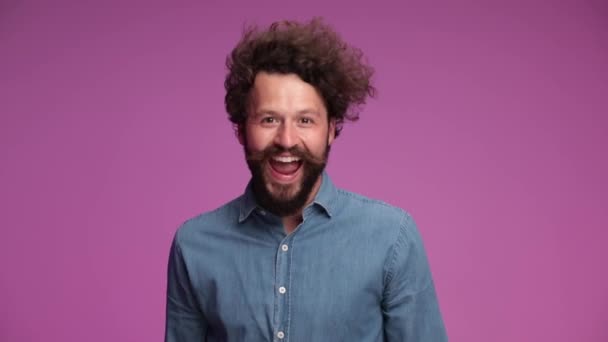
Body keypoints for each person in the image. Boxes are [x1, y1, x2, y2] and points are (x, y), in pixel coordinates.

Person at [165, 18, 447, 342]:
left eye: (305, 120)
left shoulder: (392, 239)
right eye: (269, 119)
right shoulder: (194, 246)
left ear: (331, 130)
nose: (287, 139)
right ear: (242, 129)